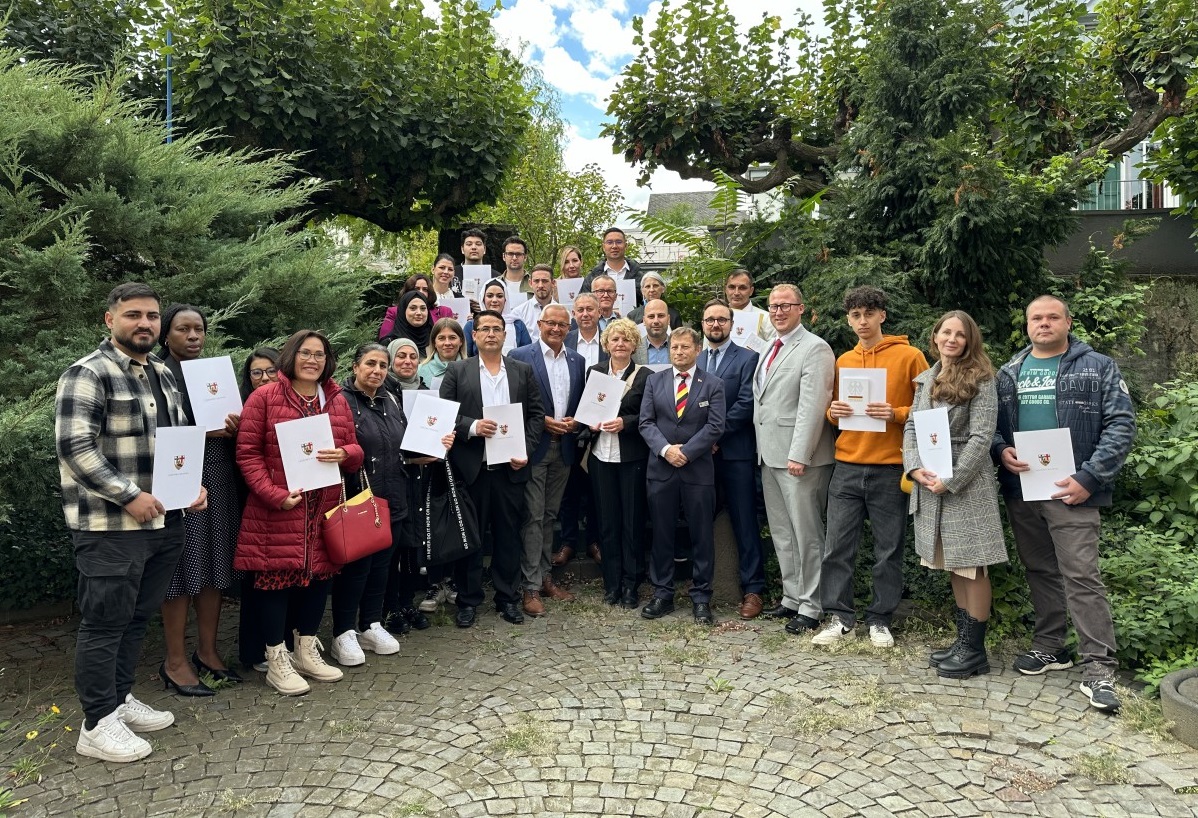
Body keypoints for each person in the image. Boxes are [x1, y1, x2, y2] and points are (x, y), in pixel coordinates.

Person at [56, 282, 207, 763]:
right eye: (133, 315)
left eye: (152, 316)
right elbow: (75, 449)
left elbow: (178, 442)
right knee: (104, 623)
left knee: (137, 617)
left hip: (165, 522)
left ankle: (119, 699)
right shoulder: (87, 374)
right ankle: (97, 723)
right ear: (110, 319)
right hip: (109, 527)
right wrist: (131, 495)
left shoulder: (161, 373)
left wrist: (192, 487)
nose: (144, 323)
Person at [993, 295, 1136, 712]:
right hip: (1024, 489)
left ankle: (1098, 668)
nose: (1044, 323)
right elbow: (997, 428)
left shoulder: (1098, 367)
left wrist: (1090, 478)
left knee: (1082, 576)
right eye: (1036, 318)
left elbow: (1121, 424)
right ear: (1026, 324)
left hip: (1071, 489)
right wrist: (1001, 450)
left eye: (1052, 317)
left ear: (1067, 322)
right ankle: (1051, 647)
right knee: (1039, 568)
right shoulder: (1009, 372)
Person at [234, 330, 364, 696]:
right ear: (291, 356)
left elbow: (354, 447)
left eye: (320, 354)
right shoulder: (264, 397)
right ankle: (277, 659)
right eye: (305, 353)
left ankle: (306, 649)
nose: (312, 360)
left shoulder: (335, 398)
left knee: (320, 578)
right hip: (280, 508)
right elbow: (247, 454)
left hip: (323, 507)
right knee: (276, 581)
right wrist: (274, 495)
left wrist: (346, 455)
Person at [814, 286, 929, 648]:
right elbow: (833, 410)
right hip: (846, 464)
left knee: (888, 549)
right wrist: (832, 412)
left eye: (868, 314)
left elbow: (932, 410)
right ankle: (838, 617)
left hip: (891, 468)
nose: (862, 322)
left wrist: (895, 414)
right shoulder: (844, 360)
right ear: (848, 320)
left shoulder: (910, 356)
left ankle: (880, 618)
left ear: (882, 315)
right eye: (855, 316)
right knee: (837, 547)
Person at [904, 311, 1006, 678]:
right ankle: (963, 640)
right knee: (953, 564)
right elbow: (911, 430)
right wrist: (915, 468)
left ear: (969, 341)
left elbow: (982, 437)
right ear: (935, 337)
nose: (951, 339)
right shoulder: (926, 379)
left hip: (965, 487)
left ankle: (974, 651)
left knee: (972, 567)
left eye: (959, 334)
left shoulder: (983, 379)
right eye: (945, 332)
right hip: (931, 485)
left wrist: (953, 477)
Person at [157, 305, 243, 696]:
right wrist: (203, 434)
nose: (193, 336)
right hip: (179, 478)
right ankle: (174, 661)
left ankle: (207, 652)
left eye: (199, 330)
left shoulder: (213, 376)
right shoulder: (154, 375)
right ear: (166, 335)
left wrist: (236, 426)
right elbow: (152, 432)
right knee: (180, 571)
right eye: (183, 329)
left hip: (219, 475)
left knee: (213, 564)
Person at [440, 310, 546, 627]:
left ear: (504, 334)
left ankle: (507, 598)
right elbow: (444, 415)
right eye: (484, 329)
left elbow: (537, 416)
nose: (490, 334)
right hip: (472, 468)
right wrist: (472, 427)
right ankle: (469, 600)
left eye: (496, 329)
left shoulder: (522, 371)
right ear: (474, 335)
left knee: (508, 537)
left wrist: (524, 449)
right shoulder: (458, 371)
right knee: (471, 538)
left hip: (510, 468)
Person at [753, 284, 835, 634]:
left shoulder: (815, 348)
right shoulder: (770, 346)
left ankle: (812, 605)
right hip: (768, 454)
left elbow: (813, 407)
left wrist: (799, 453)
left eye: (786, 305)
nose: (778, 311)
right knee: (783, 532)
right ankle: (792, 597)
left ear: (801, 308)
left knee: (807, 533)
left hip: (799, 458)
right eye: (773, 306)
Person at [639, 327, 727, 626]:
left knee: (701, 536)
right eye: (674, 347)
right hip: (662, 469)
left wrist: (686, 452)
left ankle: (701, 597)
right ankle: (662, 593)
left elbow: (715, 427)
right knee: (661, 533)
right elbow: (646, 422)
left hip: (697, 470)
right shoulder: (654, 381)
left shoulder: (713, 384)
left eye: (685, 347)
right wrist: (666, 450)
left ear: (697, 349)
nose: (678, 352)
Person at [509, 305, 586, 615]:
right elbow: (515, 402)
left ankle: (544, 577)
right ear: (539, 324)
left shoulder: (577, 360)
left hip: (564, 448)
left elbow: (580, 402)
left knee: (550, 515)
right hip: (534, 447)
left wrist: (576, 422)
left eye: (562, 325)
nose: (556, 329)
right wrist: (542, 423)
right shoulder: (519, 355)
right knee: (533, 515)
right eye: (551, 323)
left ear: (569, 328)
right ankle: (529, 587)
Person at [698, 299, 766, 619]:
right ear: (702, 324)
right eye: (710, 320)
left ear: (732, 323)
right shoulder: (694, 359)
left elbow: (745, 404)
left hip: (735, 453)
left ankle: (753, 589)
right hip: (702, 458)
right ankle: (700, 589)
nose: (715, 325)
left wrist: (713, 436)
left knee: (744, 522)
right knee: (699, 521)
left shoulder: (748, 358)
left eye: (721, 320)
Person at [587, 318, 652, 607]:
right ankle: (611, 584)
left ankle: (631, 584)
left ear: (634, 344)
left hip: (632, 458)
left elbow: (650, 416)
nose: (620, 344)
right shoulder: (595, 372)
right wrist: (588, 423)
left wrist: (624, 422)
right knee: (608, 522)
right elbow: (584, 409)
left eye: (626, 339)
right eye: (615, 339)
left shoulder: (646, 376)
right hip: (601, 456)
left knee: (632, 522)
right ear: (607, 344)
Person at [236, 347, 280, 673]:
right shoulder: (235, 408)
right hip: (248, 496)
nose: (264, 377)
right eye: (256, 372)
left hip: (282, 497)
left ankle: (280, 644)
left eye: (270, 370)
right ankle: (254, 650)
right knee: (255, 577)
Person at [556, 292, 607, 566]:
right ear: (573, 314)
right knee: (568, 487)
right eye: (580, 310)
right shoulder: (564, 341)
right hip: (570, 425)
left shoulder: (610, 343)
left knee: (596, 488)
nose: (585, 314)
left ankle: (594, 541)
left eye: (590, 309)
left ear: (600, 312)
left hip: (601, 426)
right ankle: (567, 542)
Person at [463, 280, 532, 356]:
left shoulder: (517, 324)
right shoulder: (471, 325)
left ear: (505, 300)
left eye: (499, 296)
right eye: (490, 296)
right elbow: (466, 356)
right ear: (483, 299)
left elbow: (527, 355)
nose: (494, 300)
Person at [582, 227, 643, 303]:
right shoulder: (592, 277)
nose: (614, 246)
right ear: (603, 247)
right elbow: (585, 303)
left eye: (619, 242)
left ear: (626, 246)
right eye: (610, 242)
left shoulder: (639, 276)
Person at [510, 264, 558, 341]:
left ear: (553, 283)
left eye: (545, 281)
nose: (540, 285)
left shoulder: (562, 312)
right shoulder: (518, 313)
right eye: (536, 281)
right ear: (530, 283)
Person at [725, 269, 774, 341]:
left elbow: (775, 349)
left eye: (742, 288)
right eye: (732, 287)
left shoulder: (766, 319)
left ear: (751, 291)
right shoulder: (716, 317)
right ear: (725, 289)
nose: (736, 293)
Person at [418, 318, 466, 386]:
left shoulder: (473, 370)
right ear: (434, 342)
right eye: (441, 338)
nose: (447, 343)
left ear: (461, 341)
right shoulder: (420, 370)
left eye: (452, 338)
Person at [633, 299, 672, 365]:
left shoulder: (680, 348)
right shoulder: (633, 350)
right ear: (644, 321)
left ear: (668, 319)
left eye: (660, 316)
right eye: (651, 317)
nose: (656, 321)